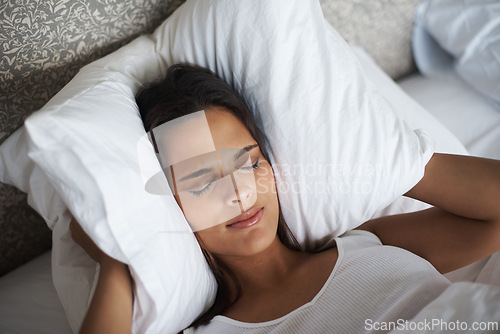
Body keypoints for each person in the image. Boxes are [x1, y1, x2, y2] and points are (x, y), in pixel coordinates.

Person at [70, 63, 500, 334]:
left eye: (248, 163)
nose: (239, 192)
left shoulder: (368, 242)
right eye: (202, 181)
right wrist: (120, 257)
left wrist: (385, 160)